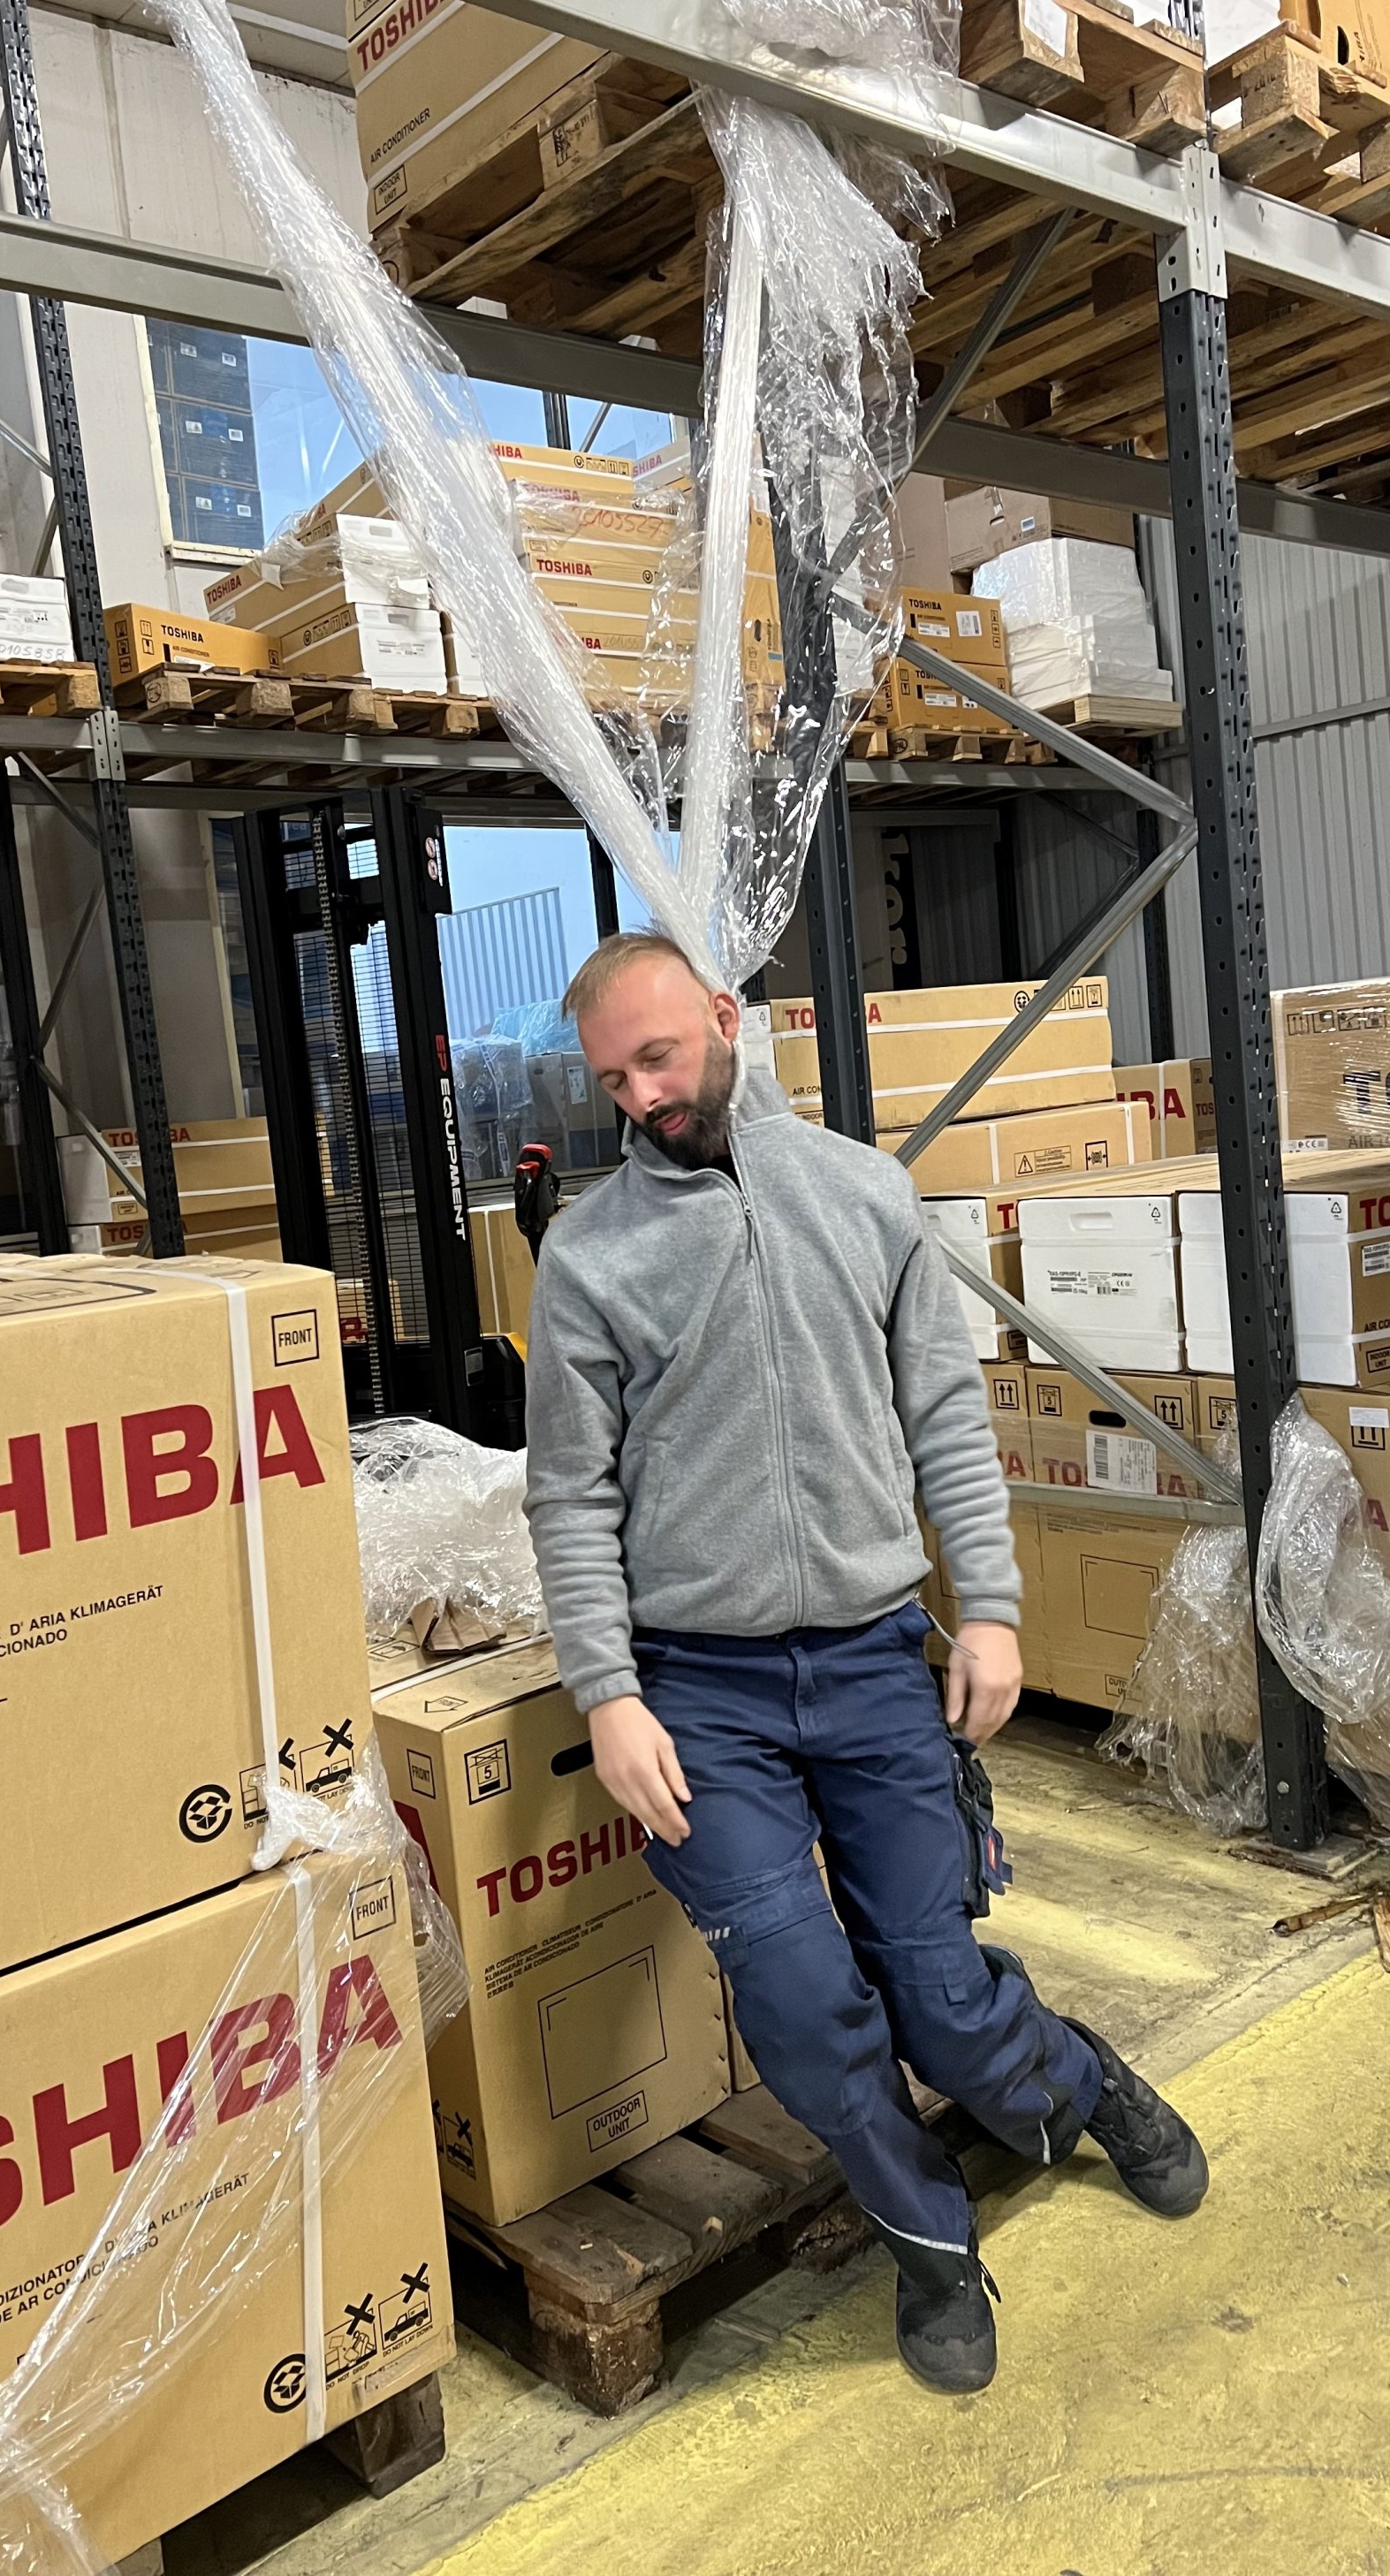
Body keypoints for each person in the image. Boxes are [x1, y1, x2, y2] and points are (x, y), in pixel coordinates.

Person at [522, 931, 1208, 2395]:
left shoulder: (862, 1194)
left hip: (875, 1658)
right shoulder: (589, 1257)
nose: (641, 1097)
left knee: (939, 1997)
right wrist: (610, 1693)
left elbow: (946, 1417)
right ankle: (931, 2245)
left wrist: (994, 1610)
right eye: (612, 1080)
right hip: (700, 1694)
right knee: (803, 2006)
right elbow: (568, 1497)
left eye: (659, 1058)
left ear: (723, 1017)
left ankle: (1077, 2080)